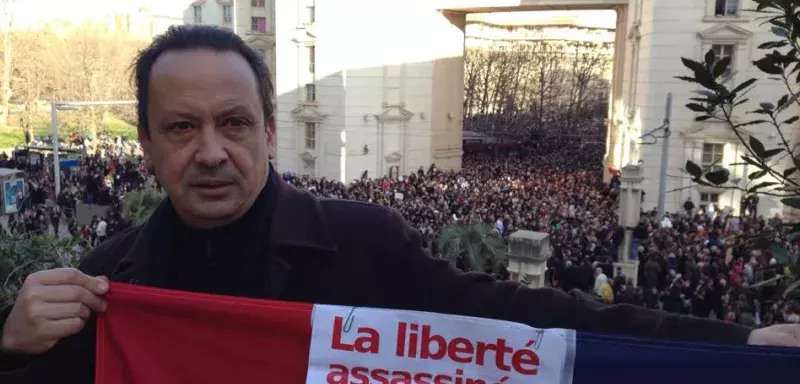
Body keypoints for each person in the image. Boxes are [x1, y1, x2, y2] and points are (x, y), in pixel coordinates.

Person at [0, 25, 798, 384]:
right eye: (182, 127)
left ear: (269, 132)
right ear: (146, 145)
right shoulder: (102, 289)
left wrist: (736, 342)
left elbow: (534, 328)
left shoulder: (363, 244)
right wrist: (10, 349)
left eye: (234, 123)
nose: (211, 150)